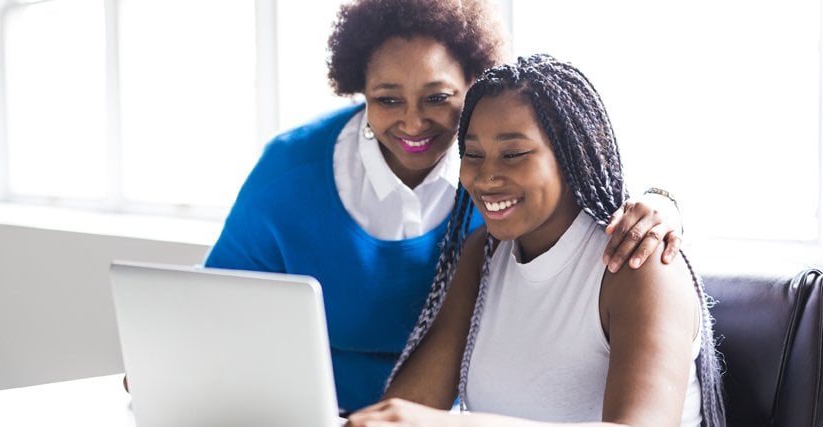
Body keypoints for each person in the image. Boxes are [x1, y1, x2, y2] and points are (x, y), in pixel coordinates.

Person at [200, 0, 685, 413]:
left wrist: (665, 201)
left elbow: (597, 176)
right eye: (387, 99)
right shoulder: (481, 249)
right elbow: (212, 310)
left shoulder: (632, 260)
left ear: (473, 84)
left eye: (437, 97)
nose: (413, 123)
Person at [347, 54, 725, 426]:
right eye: (474, 154)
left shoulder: (638, 265)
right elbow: (408, 406)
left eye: (513, 154)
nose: (486, 177)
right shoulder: (483, 254)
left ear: (572, 156)